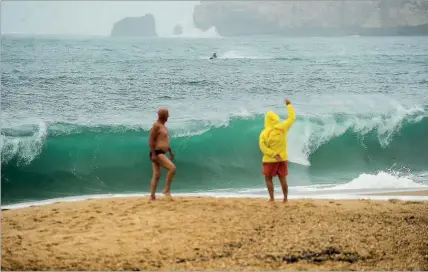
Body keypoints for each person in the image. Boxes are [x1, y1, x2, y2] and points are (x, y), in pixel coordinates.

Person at [259, 99, 296, 202]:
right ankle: (285, 199)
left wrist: (273, 154)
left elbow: (263, 147)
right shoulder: (282, 127)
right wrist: (288, 105)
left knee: (268, 179)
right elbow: (292, 118)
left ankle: (272, 199)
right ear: (276, 119)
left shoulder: (264, 133)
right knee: (283, 179)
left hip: (269, 159)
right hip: (282, 159)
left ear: (266, 120)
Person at [148, 108, 176, 201]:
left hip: (162, 152)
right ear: (164, 116)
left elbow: (165, 141)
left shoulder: (164, 127)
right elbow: (151, 139)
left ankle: (152, 196)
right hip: (157, 152)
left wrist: (170, 152)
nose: (168, 116)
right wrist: (153, 154)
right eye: (167, 115)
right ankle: (166, 189)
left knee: (156, 175)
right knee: (172, 168)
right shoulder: (156, 125)